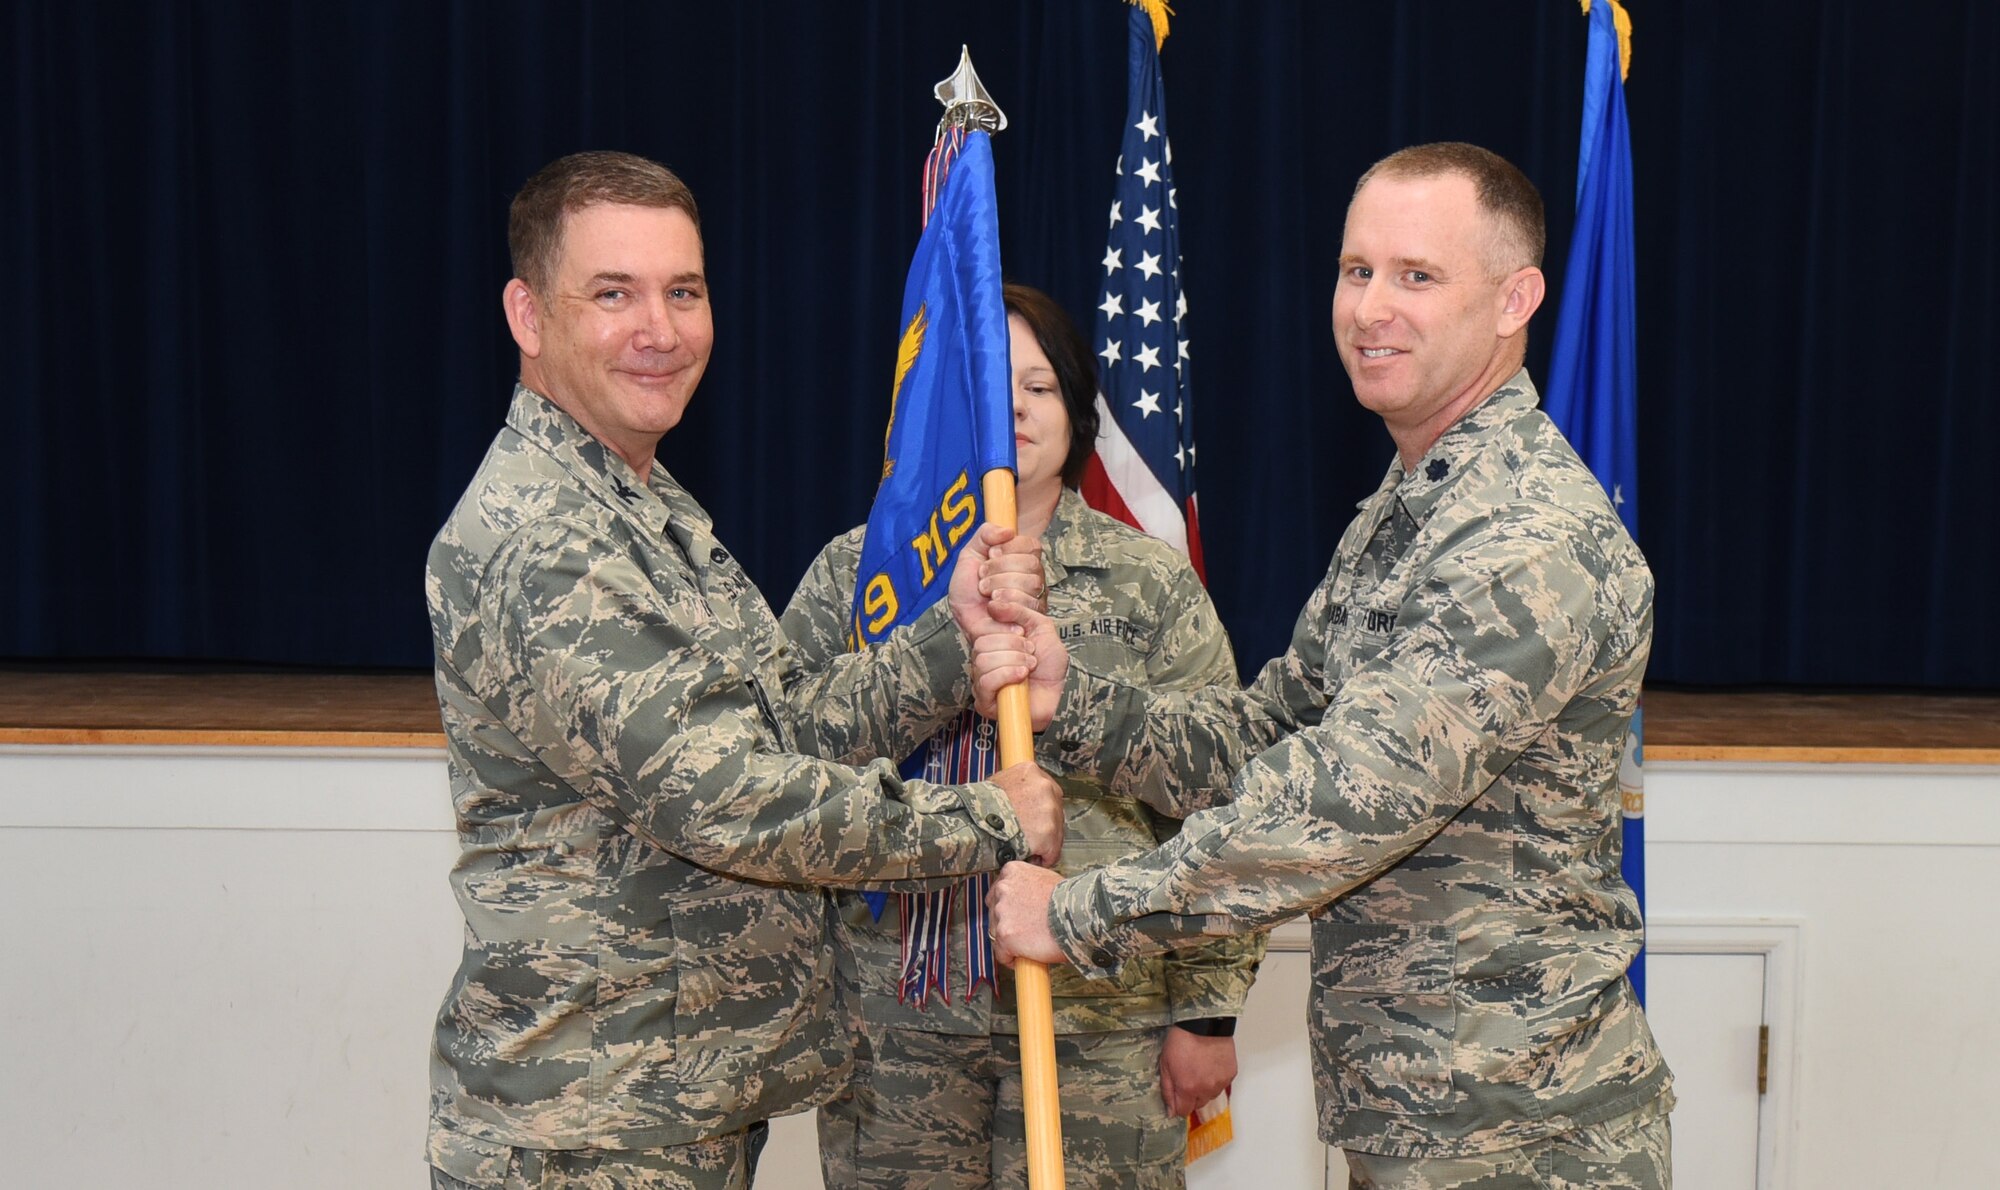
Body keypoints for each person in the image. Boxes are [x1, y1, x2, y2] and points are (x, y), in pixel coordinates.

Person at [980, 143, 1674, 1188]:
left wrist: (1077, 912)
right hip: (1425, 1118)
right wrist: (1072, 699)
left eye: (1416, 276)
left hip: (1523, 1133)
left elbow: (1334, 806)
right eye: (1355, 271)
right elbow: (1267, 736)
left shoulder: (1524, 539)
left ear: (1512, 299)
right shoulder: (1410, 509)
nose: (1369, 309)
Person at [423, 150, 1064, 1190]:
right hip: (589, 1129)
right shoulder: (544, 538)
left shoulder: (643, 506)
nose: (659, 330)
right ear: (528, 316)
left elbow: (782, 724)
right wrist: (983, 819)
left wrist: (949, 641)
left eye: (684, 291)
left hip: (674, 1103)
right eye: (612, 294)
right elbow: (726, 799)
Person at [781, 283, 1263, 1189]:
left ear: (1078, 413)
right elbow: (783, 764)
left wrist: (1208, 1014)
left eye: (1038, 387)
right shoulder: (862, 575)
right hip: (894, 1025)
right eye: (983, 382)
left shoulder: (1149, 584)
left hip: (1103, 1015)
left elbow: (1223, 796)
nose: (1009, 406)